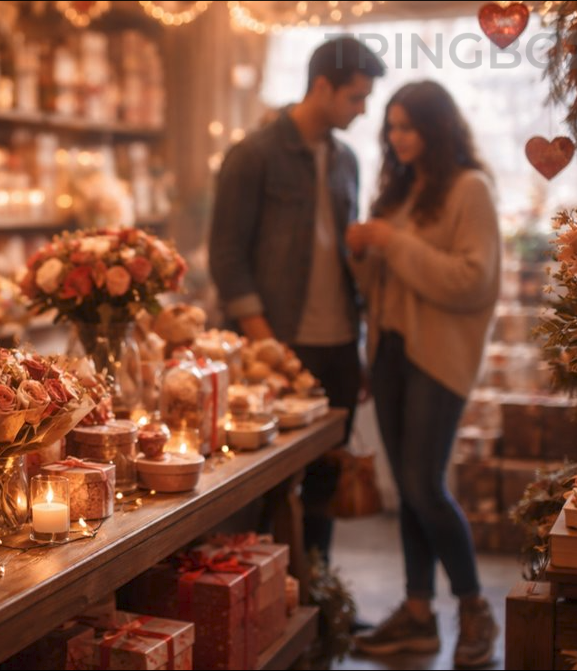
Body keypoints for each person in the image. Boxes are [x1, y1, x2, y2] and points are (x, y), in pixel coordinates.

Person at [208, 36, 385, 563]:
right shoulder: (253, 154)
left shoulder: (347, 160)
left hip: (337, 347)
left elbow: (341, 258)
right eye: (355, 98)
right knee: (264, 488)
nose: (362, 110)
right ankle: (264, 607)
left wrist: (359, 351)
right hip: (276, 349)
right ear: (322, 86)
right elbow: (227, 257)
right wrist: (268, 347)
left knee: (326, 486)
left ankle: (318, 602)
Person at [346, 80, 501, 669]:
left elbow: (471, 282)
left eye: (408, 126)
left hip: (438, 359)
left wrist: (392, 242)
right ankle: (417, 616)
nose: (396, 137)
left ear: (436, 129)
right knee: (408, 492)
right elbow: (377, 289)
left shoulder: (470, 190)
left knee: (423, 486)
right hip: (389, 356)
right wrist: (364, 252)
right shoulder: (399, 191)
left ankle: (474, 609)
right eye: (391, 126)